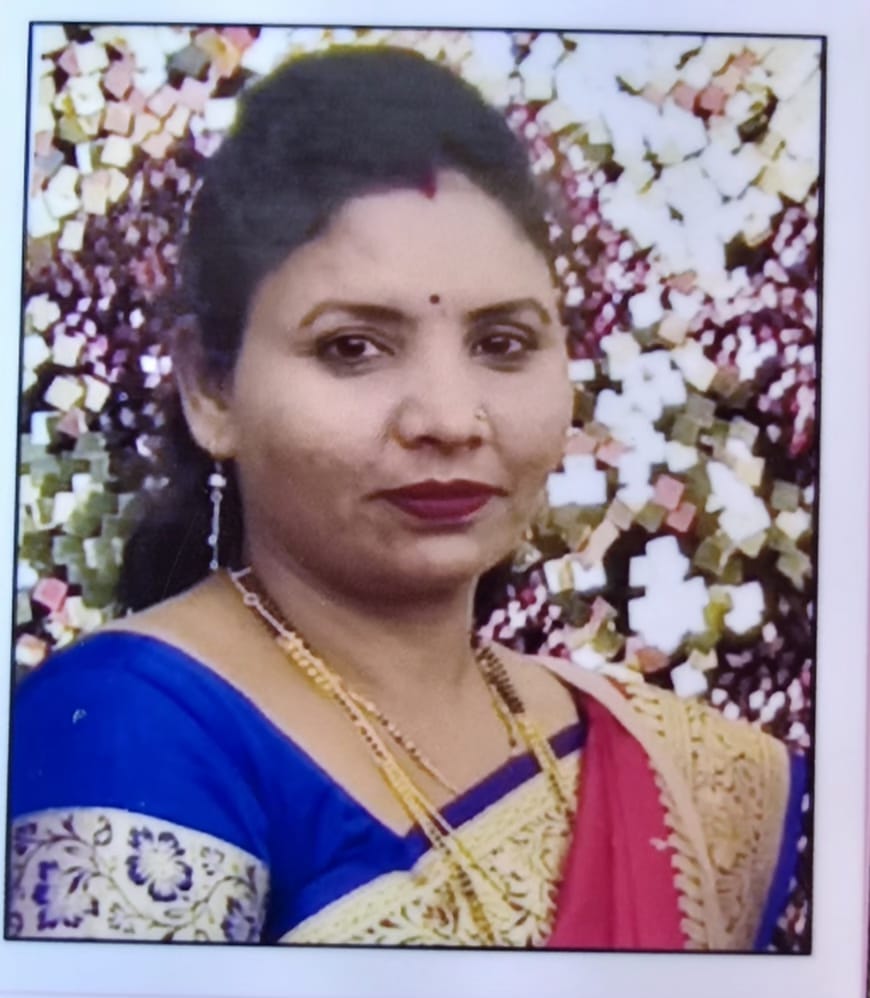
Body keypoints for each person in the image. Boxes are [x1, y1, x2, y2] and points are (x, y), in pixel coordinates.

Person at [7, 46, 804, 949]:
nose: (450, 420)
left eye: (503, 344)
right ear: (211, 391)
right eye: (352, 347)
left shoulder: (672, 766)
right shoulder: (133, 726)